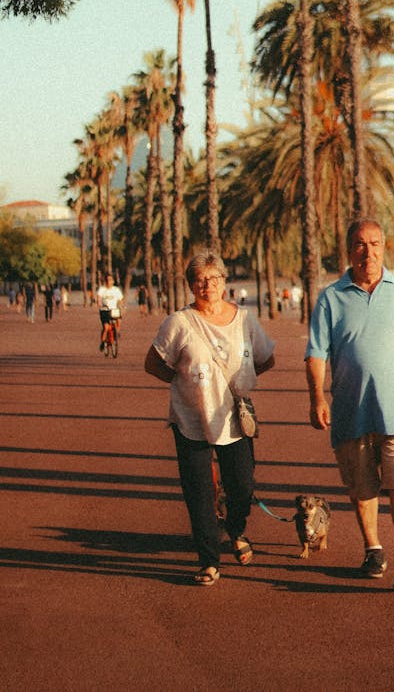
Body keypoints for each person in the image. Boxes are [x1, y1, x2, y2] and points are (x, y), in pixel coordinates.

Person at [305, 219, 394, 592]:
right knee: (362, 487)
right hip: (351, 409)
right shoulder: (331, 298)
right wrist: (317, 397)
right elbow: (316, 354)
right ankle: (373, 549)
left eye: (375, 244)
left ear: (385, 247)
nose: (369, 252)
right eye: (360, 245)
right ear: (349, 251)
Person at [144, 250, 275, 587]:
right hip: (190, 418)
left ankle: (236, 528)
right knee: (199, 492)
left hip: (235, 415)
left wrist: (239, 383)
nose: (208, 285)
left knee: (242, 485)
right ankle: (208, 560)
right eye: (200, 279)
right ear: (190, 285)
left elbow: (265, 358)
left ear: (224, 282)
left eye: (214, 278)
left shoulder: (245, 319)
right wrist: (185, 384)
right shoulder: (178, 323)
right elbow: (153, 363)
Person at [97, 273, 124, 351]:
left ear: (113, 281)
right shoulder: (102, 289)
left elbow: (120, 299)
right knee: (106, 327)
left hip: (114, 310)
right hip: (105, 310)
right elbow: (98, 298)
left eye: (110, 280)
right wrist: (99, 303)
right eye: (107, 280)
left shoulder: (116, 290)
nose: (109, 281)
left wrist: (121, 305)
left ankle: (117, 332)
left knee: (119, 320)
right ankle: (103, 342)